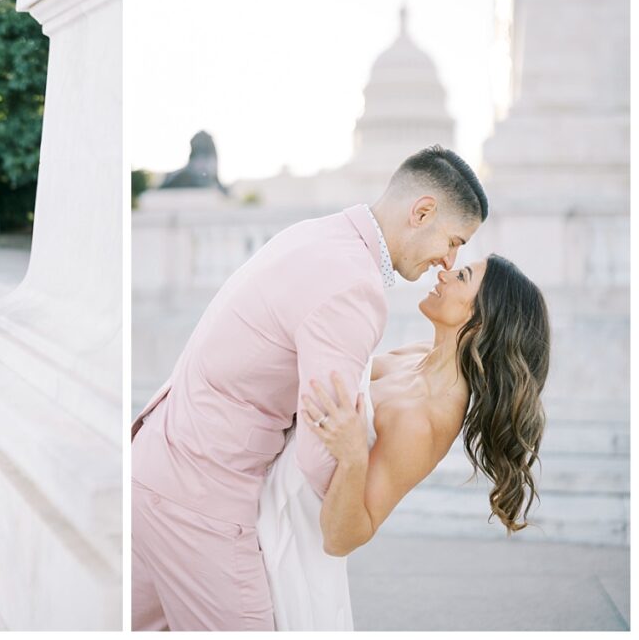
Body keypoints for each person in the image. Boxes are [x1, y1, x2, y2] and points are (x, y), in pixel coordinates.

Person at [131, 145, 488, 630]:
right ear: (422, 212)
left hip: (154, 461)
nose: (448, 261)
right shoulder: (354, 288)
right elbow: (321, 449)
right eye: (453, 241)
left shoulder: (321, 234)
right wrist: (344, 490)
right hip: (202, 500)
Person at [259, 254, 550, 629]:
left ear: (480, 320)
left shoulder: (426, 420)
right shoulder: (416, 356)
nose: (444, 272)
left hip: (290, 555)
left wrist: (352, 457)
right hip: (265, 504)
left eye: (461, 276)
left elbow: (342, 538)